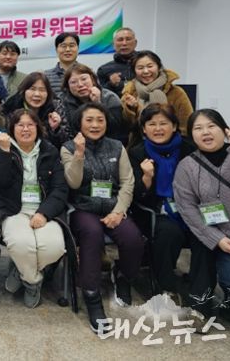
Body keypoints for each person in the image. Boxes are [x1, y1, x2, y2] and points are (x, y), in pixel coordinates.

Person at [61, 102, 143, 332]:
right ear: (79, 123)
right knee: (92, 234)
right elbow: (73, 182)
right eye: (89, 120)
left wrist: (119, 211)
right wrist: (79, 154)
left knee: (133, 239)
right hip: (83, 208)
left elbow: (128, 182)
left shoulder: (117, 146)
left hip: (114, 207)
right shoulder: (68, 148)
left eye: (100, 120)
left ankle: (123, 276)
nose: (95, 125)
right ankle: (92, 295)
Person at [128, 104, 215, 312]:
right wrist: (147, 177)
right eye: (152, 124)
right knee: (169, 233)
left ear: (174, 126)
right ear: (144, 129)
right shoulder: (136, 152)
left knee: (205, 234)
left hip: (191, 207)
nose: (158, 128)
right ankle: (167, 285)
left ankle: (201, 298)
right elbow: (135, 195)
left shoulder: (189, 149)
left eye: (164, 123)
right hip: (154, 210)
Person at [174, 109, 230, 326]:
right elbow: (187, 208)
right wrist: (216, 238)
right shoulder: (187, 166)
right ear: (191, 134)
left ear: (225, 130)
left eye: (211, 126)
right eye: (198, 128)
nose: (205, 132)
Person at [0, 109, 67, 308]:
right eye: (20, 125)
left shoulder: (50, 151)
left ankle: (21, 269)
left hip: (44, 210)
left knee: (55, 247)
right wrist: (4, 152)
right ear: (12, 129)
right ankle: (33, 281)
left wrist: (44, 213)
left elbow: (60, 189)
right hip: (13, 210)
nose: (25, 129)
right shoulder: (4, 148)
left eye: (30, 125)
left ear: (38, 128)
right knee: (22, 244)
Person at [121, 50, 193, 138]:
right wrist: (131, 109)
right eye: (140, 68)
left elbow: (186, 124)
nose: (146, 71)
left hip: (173, 142)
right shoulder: (130, 93)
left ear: (159, 67)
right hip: (139, 143)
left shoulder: (176, 92)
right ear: (134, 71)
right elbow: (125, 126)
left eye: (150, 66)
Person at [2, 72, 69, 149]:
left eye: (42, 90)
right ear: (23, 91)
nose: (37, 94)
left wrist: (56, 129)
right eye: (32, 89)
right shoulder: (11, 109)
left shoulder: (55, 108)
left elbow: (66, 143)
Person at [61, 63, 124, 142]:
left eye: (84, 79)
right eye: (73, 82)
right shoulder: (63, 102)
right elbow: (71, 131)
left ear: (93, 80)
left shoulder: (110, 97)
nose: (80, 85)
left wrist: (98, 103)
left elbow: (115, 128)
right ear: (67, 86)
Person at [97, 27, 137, 96]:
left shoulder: (148, 62)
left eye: (128, 39)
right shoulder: (103, 69)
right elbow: (100, 95)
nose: (124, 43)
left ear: (135, 43)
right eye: (120, 40)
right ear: (113, 44)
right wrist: (111, 84)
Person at [44, 33, 80, 97]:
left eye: (71, 46)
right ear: (56, 50)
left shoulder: (87, 73)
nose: (68, 49)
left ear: (78, 48)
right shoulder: (46, 76)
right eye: (63, 46)